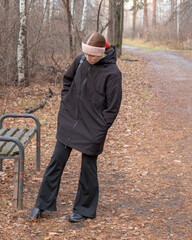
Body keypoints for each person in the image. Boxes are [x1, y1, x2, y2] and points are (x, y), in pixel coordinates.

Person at [29, 32, 122, 222]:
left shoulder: (113, 73)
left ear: (103, 52)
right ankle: (42, 204)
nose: (88, 58)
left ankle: (84, 209)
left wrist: (100, 128)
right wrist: (66, 102)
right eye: (86, 54)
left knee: (88, 169)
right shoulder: (80, 61)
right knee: (56, 162)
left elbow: (112, 108)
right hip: (70, 120)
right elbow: (67, 80)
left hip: (93, 128)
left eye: (92, 55)